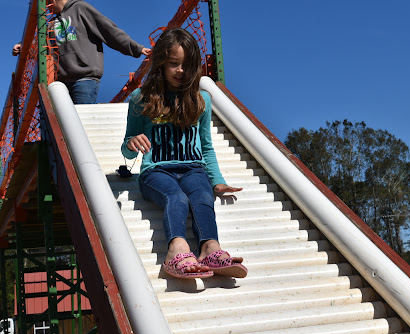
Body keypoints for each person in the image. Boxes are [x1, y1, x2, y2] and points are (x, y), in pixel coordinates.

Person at [121, 28, 248, 280]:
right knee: (176, 197)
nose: (180, 71)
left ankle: (210, 248)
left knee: (202, 195)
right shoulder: (141, 98)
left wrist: (218, 181)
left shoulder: (201, 100)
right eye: (174, 64)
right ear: (161, 64)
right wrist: (132, 142)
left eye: (186, 65)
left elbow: (207, 146)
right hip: (155, 171)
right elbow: (126, 145)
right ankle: (176, 250)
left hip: (194, 168)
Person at [13, 0, 151, 104]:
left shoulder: (80, 8)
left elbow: (108, 30)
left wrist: (136, 48)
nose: (46, 8)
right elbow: (39, 43)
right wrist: (23, 46)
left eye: (47, 3)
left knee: (81, 122)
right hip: (61, 82)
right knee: (63, 127)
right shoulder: (50, 24)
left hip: (84, 79)